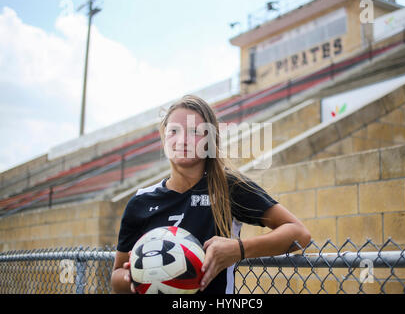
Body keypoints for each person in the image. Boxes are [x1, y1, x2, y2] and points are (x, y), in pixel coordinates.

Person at [111, 95, 311, 294]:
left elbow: (299, 233)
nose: (182, 140)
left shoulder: (228, 187)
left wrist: (239, 249)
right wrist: (135, 277)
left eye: (194, 131)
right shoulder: (141, 201)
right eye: (174, 131)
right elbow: (117, 275)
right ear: (164, 137)